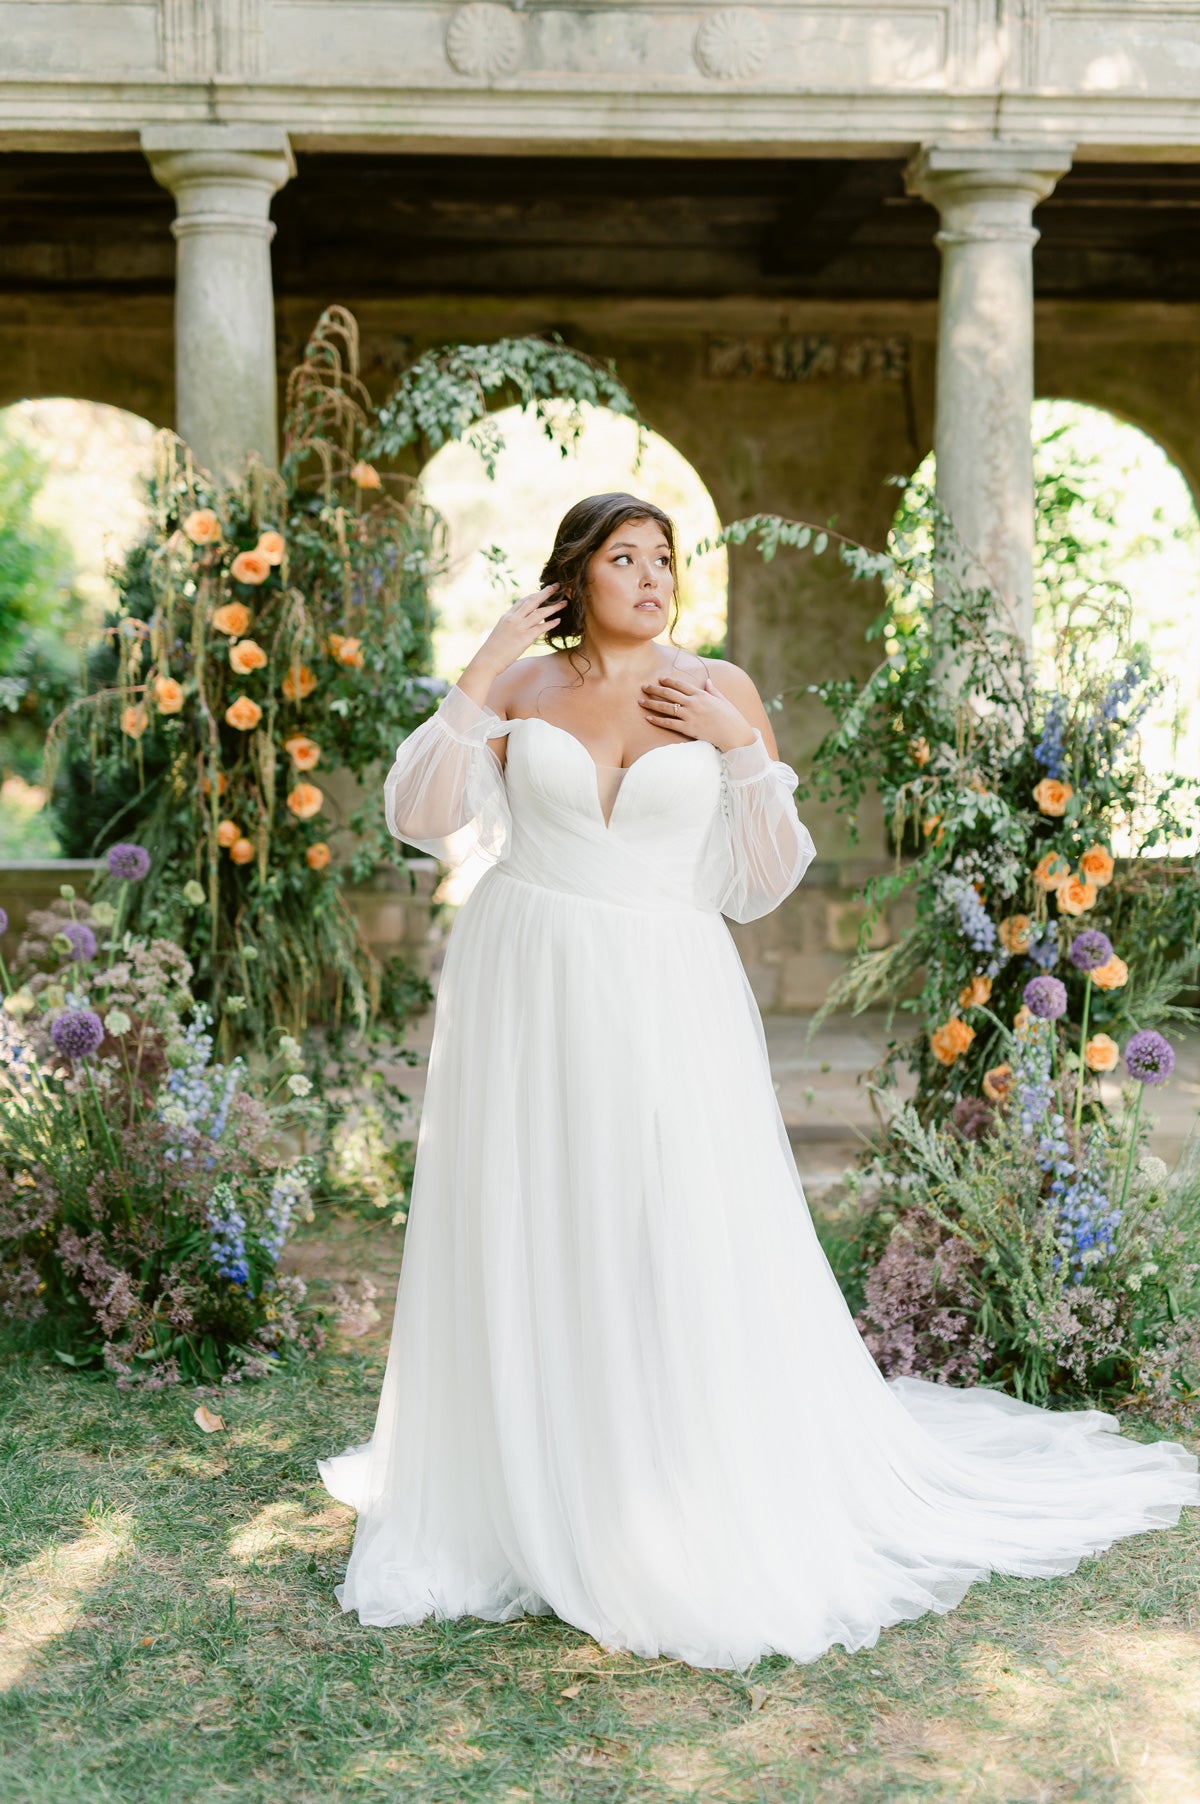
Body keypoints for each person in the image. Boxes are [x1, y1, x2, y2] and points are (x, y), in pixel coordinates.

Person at [319, 492, 1198, 1673]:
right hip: (526, 977)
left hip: (668, 982)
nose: (649, 576)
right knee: (531, 1212)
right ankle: (529, 1470)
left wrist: (737, 751)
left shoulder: (721, 685)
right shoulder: (523, 690)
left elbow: (766, 878)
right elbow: (422, 815)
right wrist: (484, 659)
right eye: (621, 557)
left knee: (669, 1217)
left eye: (663, 557)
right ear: (572, 578)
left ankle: (667, 1480)